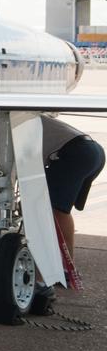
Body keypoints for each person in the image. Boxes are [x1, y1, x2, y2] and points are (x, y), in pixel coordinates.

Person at [42, 114, 105, 267]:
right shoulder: (22, 116)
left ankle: (66, 265)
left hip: (77, 153)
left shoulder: (3, 125)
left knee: (57, 210)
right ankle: (64, 262)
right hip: (94, 150)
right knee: (58, 208)